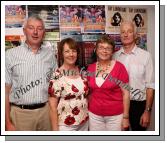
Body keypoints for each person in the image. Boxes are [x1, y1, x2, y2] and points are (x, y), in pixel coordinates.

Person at [5, 15, 57, 131]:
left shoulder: (50, 55)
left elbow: (55, 87)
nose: (35, 32)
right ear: (24, 31)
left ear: (43, 32)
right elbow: (5, 92)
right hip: (20, 115)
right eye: (31, 28)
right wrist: (7, 122)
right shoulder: (10, 55)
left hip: (45, 113)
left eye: (39, 28)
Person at [113, 21, 154, 131]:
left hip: (139, 105)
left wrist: (147, 111)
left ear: (135, 35)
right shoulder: (114, 57)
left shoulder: (146, 56)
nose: (126, 35)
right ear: (120, 35)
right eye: (123, 32)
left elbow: (150, 85)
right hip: (118, 104)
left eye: (129, 31)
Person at [87, 35, 130, 131]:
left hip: (115, 117)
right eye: (101, 47)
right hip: (94, 115)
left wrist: (126, 117)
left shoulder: (120, 68)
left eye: (108, 48)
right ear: (96, 50)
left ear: (112, 51)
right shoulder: (91, 68)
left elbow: (126, 94)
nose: (104, 51)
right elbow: (89, 93)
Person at [48, 38, 89, 131]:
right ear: (62, 54)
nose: (71, 54)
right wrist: (55, 131)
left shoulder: (82, 72)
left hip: (85, 121)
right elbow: (52, 107)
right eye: (67, 51)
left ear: (77, 53)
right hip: (66, 125)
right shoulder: (56, 76)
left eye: (74, 51)